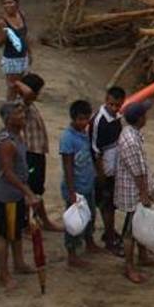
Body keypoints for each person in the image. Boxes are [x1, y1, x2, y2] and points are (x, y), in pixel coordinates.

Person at [0, 101, 38, 289]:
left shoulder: (17, 137)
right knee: (5, 234)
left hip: (16, 194)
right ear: (8, 119)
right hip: (7, 196)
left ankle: (18, 263)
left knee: (16, 230)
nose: (23, 116)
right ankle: (4, 274)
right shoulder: (7, 143)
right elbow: (8, 172)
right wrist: (27, 191)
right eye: (18, 114)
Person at [115, 99, 154, 285]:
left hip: (135, 189)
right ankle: (129, 267)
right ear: (139, 118)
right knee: (130, 230)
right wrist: (144, 193)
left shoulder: (131, 134)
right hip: (134, 191)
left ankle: (142, 257)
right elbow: (137, 171)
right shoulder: (131, 140)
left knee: (139, 225)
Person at [14, 73, 62, 231]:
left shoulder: (29, 104)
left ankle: (42, 220)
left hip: (37, 152)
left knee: (37, 188)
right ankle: (26, 223)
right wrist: (18, 83)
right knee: (31, 189)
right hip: (30, 153)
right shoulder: (22, 103)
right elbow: (27, 93)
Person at [60, 99, 100, 266]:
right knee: (74, 222)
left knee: (90, 215)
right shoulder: (67, 138)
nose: (84, 122)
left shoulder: (85, 133)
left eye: (86, 119)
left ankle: (89, 242)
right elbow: (67, 166)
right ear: (73, 118)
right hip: (75, 187)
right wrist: (71, 191)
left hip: (88, 183)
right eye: (81, 119)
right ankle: (72, 253)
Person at [90, 86, 124, 255]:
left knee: (111, 205)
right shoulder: (99, 121)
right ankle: (109, 238)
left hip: (113, 169)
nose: (114, 108)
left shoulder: (117, 117)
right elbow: (96, 150)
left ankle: (109, 232)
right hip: (102, 172)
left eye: (117, 105)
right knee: (106, 205)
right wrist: (101, 174)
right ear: (106, 100)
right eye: (111, 104)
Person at [0, 0, 30, 89]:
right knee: (12, 89)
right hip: (11, 59)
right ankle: (9, 104)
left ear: (17, 3)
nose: (7, 5)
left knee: (20, 86)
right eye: (5, 3)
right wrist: (6, 33)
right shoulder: (2, 22)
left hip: (23, 57)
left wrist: (30, 53)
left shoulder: (21, 15)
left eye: (10, 2)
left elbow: (25, 36)